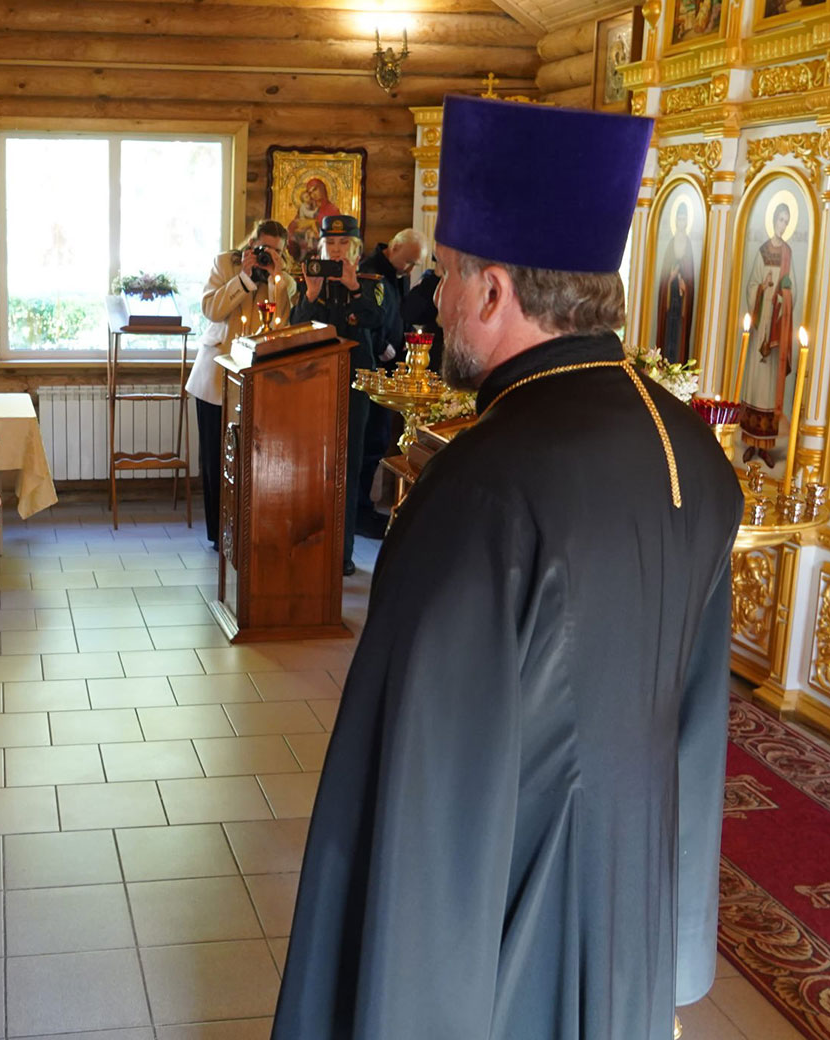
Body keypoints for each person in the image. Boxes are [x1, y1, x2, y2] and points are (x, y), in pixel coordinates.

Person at [272, 95, 742, 1040]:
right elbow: (697, 722)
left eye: (448, 275)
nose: (438, 298)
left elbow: (426, 776)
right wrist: (678, 939)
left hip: (514, 911)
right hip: (634, 884)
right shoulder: (687, 447)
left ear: (492, 293)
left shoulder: (482, 480)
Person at [185, 220, 293, 548]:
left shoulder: (285, 278)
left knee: (253, 460)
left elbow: (282, 324)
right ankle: (219, 533)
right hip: (215, 378)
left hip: (259, 378)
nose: (267, 254)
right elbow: (211, 310)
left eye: (275, 250)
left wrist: (274, 280)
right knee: (215, 457)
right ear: (250, 244)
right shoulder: (225, 264)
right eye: (262, 248)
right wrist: (243, 278)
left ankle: (248, 528)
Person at [289, 214, 384, 576]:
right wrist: (312, 294)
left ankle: (342, 553)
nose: (337, 249)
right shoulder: (310, 282)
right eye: (331, 243)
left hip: (354, 387)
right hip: (314, 383)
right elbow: (297, 329)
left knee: (347, 465)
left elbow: (378, 322)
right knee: (313, 467)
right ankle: (311, 547)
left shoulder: (370, 283)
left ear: (355, 248)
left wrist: (354, 287)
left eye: (344, 243)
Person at [355, 228, 427, 536]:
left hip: (391, 366)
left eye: (414, 265)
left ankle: (366, 508)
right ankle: (359, 511)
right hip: (373, 367)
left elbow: (397, 312)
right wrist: (382, 342)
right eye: (408, 262)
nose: (409, 270)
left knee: (380, 438)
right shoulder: (370, 272)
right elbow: (367, 317)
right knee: (369, 440)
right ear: (394, 248)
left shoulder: (398, 275)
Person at [737, 199, 797, 469]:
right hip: (761, 324)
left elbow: (793, 288)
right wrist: (762, 288)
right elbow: (751, 284)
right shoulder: (762, 251)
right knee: (754, 382)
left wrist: (784, 296)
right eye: (780, 219)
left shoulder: (788, 254)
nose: (782, 225)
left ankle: (765, 446)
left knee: (770, 387)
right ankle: (750, 442)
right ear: (773, 221)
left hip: (776, 325)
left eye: (786, 221)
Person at [656, 201, 697, 363]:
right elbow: (663, 279)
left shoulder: (688, 247)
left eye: (684, 219)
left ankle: (676, 364)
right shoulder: (670, 245)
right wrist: (671, 278)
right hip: (670, 299)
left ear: (687, 222)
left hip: (681, 304)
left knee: (678, 335)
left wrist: (685, 287)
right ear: (676, 221)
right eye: (679, 219)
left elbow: (690, 280)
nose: (682, 222)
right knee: (668, 335)